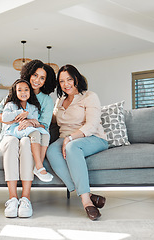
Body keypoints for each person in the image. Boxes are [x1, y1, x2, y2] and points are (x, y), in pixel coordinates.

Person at [46, 64, 109, 221]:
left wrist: (71, 137)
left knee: (72, 146)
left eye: (69, 79)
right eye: (61, 81)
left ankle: (86, 202)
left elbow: (92, 125)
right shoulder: (60, 100)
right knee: (51, 151)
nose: (66, 84)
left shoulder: (89, 96)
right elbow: (53, 119)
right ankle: (87, 193)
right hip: (65, 138)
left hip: (92, 137)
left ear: (76, 79)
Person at [0, 59, 56, 218]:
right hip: (9, 134)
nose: (37, 80)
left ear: (45, 81)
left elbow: (44, 125)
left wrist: (29, 121)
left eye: (42, 78)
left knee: (26, 141)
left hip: (30, 134)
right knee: (12, 141)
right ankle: (12, 199)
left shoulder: (46, 101)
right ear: (29, 74)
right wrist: (17, 118)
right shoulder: (15, 92)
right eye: (35, 75)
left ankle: (26, 198)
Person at [1, 79, 53, 182]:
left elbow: (35, 121)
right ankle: (38, 166)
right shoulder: (10, 105)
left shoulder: (33, 107)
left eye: (26, 90)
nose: (23, 92)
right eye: (20, 90)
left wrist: (28, 117)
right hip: (14, 130)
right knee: (35, 133)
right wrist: (20, 112)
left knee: (46, 134)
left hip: (27, 128)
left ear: (30, 92)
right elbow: (5, 118)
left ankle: (39, 165)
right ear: (15, 92)